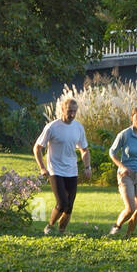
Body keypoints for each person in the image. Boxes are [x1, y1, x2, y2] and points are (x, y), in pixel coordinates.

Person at [33, 96, 91, 234]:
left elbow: (84, 150)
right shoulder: (52, 127)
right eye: (69, 111)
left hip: (72, 170)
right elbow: (37, 147)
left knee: (69, 206)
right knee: (62, 203)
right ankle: (50, 226)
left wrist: (87, 167)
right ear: (62, 110)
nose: (72, 114)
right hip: (55, 170)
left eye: (74, 112)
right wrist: (42, 167)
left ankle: (61, 231)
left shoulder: (78, 128)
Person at [108, 106, 137, 238]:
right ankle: (117, 226)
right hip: (126, 174)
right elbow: (112, 152)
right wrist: (121, 166)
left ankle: (128, 236)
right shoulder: (124, 134)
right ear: (132, 117)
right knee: (131, 208)